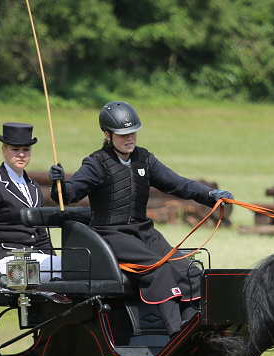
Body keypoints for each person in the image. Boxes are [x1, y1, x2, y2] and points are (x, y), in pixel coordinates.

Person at [49, 101, 233, 336]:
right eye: (123, 134)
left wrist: (210, 195)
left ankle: (193, 331)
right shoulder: (96, 163)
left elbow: (177, 183)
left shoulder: (144, 159)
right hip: (111, 235)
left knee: (188, 269)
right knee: (159, 269)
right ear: (107, 135)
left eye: (133, 132)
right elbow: (70, 193)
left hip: (144, 232)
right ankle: (176, 334)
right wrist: (58, 186)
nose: (130, 138)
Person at [0, 122, 60, 287]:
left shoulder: (34, 188)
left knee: (72, 269)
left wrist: (54, 260)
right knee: (63, 269)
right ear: (4, 150)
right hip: (2, 260)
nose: (21, 154)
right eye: (15, 149)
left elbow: (41, 236)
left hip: (31, 258)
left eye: (26, 149)